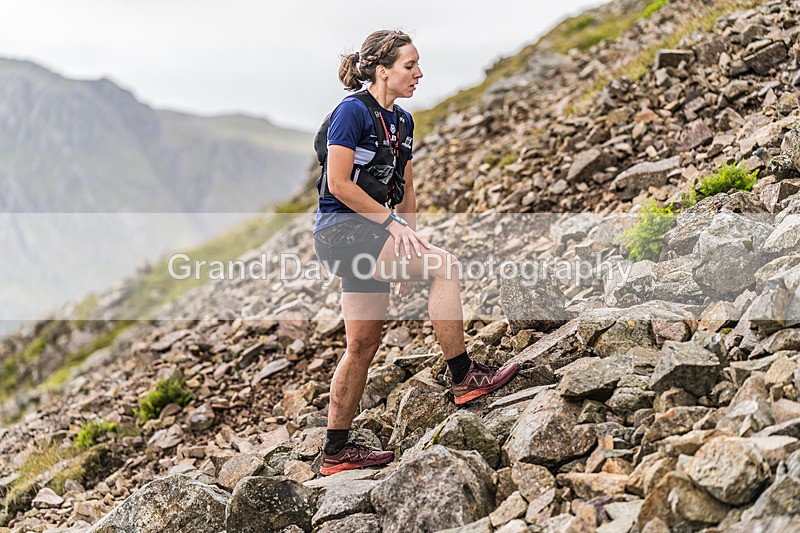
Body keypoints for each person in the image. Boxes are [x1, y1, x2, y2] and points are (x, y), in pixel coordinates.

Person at [313, 29, 519, 476]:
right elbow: (338, 184)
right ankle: (464, 377)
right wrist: (394, 229)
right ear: (382, 71)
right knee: (445, 267)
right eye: (410, 66)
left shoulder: (403, 122)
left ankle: (335, 452)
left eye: (418, 64)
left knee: (362, 344)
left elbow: (405, 188)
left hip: (373, 235)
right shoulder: (351, 112)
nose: (419, 73)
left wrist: (410, 240)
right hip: (341, 231)